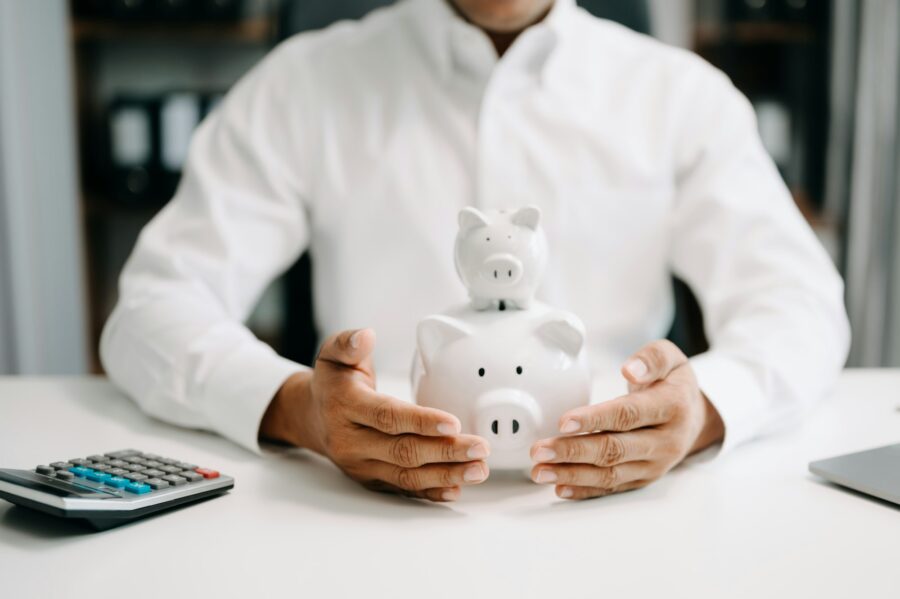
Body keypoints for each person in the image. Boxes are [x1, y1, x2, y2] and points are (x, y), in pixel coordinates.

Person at [101, 0, 850, 502]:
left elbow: (801, 308)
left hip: (622, 520)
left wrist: (703, 411)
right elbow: (150, 310)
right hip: (361, 521)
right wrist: (298, 410)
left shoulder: (684, 97)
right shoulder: (303, 84)